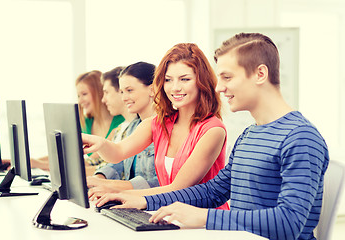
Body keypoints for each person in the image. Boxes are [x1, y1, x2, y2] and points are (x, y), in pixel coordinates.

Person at [95, 33, 329, 240]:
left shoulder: (300, 137)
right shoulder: (250, 134)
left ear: (260, 74)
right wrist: (143, 201)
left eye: (227, 77)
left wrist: (205, 217)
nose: (218, 87)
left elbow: (289, 224)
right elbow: (212, 191)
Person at [84, 43, 229, 210]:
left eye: (185, 79)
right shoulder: (157, 124)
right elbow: (117, 153)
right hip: (168, 214)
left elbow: (178, 189)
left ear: (201, 81)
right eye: (168, 80)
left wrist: (119, 193)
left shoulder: (213, 130)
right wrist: (98, 143)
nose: (175, 87)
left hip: (203, 223)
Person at [31, 70, 125, 171]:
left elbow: (89, 163)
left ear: (100, 92)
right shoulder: (85, 123)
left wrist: (38, 164)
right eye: (78, 96)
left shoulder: (121, 124)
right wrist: (33, 162)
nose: (80, 101)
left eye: (84, 94)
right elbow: (63, 154)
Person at [87, 62, 159, 190]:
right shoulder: (133, 126)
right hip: (132, 202)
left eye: (129, 90)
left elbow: (160, 183)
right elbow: (120, 161)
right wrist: (99, 177)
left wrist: (110, 185)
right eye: (122, 92)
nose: (124, 98)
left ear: (152, 90)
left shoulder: (167, 128)